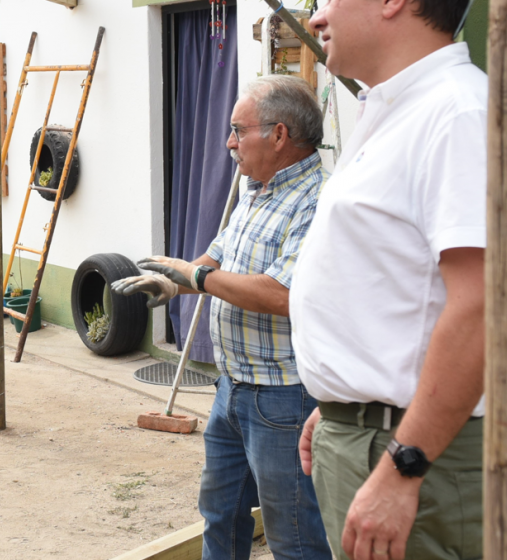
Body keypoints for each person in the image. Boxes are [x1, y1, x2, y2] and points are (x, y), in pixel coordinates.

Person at [291, 1, 488, 559]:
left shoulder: (457, 113)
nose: (315, 18)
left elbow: (484, 308)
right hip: (378, 433)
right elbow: (403, 287)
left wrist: (405, 461)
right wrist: (351, 396)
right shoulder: (399, 109)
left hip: (415, 456)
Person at [113, 75, 332, 560]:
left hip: (284, 398)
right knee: (220, 517)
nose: (229, 143)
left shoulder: (318, 201)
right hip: (231, 388)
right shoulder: (258, 188)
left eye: (239, 130)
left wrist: (196, 280)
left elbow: (283, 294)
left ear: (278, 135)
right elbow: (220, 252)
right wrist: (176, 282)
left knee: (293, 536)